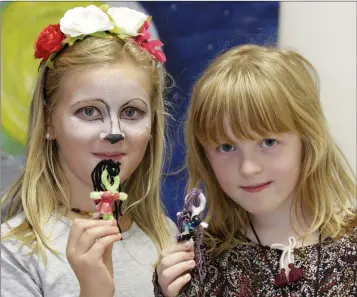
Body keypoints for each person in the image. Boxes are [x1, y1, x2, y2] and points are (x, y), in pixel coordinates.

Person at [1, 4, 177, 297]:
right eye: (88, 111)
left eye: (132, 112)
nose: (114, 133)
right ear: (49, 121)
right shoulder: (14, 255)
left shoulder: (166, 239)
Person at [154, 44, 357, 296]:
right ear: (205, 156)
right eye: (227, 147)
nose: (248, 168)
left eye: (268, 142)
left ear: (307, 140)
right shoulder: (195, 265)